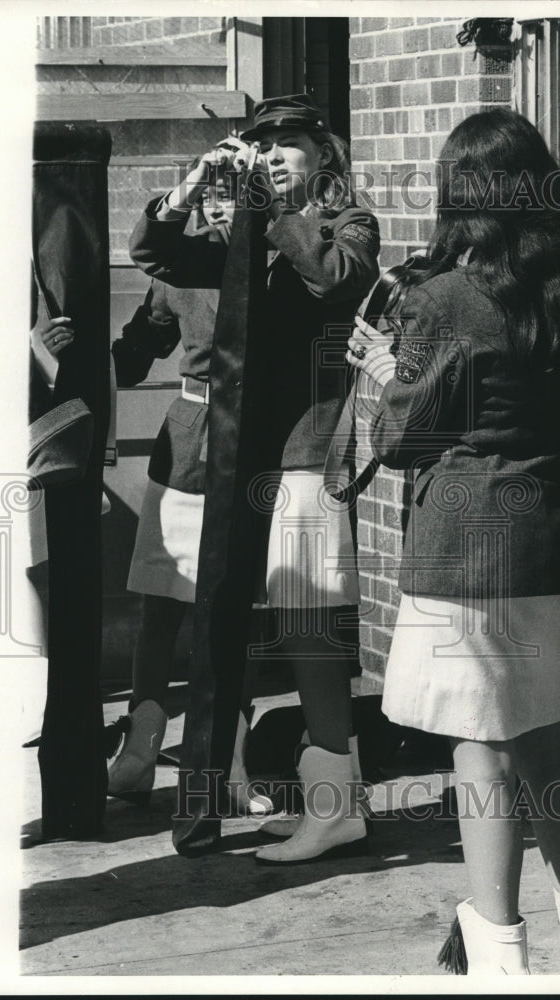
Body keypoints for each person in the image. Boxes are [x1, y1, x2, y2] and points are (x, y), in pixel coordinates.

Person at [347, 108, 560, 973]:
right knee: (538, 736)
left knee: (478, 744)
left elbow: (401, 440)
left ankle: (499, 958)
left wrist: (381, 370)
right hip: (556, 539)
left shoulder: (440, 299)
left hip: (466, 543)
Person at [130, 94, 381, 864]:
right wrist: (187, 189)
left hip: (306, 443)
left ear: (323, 155)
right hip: (236, 451)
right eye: (261, 144)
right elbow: (158, 258)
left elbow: (332, 278)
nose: (273, 154)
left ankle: (337, 803)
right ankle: (236, 781)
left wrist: (275, 211)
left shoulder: (347, 223)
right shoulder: (240, 226)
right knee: (212, 611)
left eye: (290, 144)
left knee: (307, 622)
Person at [105, 161, 273, 814]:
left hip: (255, 444)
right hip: (188, 442)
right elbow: (138, 346)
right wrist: (72, 363)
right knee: (161, 598)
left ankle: (230, 763)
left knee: (235, 608)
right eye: (216, 196)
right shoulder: (182, 268)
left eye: (238, 195)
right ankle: (142, 749)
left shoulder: (279, 268)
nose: (225, 208)